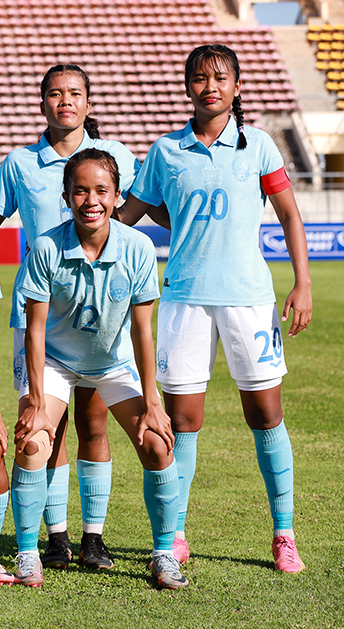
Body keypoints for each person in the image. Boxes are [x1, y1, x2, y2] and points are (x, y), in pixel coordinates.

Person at [118, 44, 311, 573]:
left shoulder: (260, 146)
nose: (211, 86)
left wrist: (303, 284)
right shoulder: (166, 151)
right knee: (183, 420)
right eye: (200, 78)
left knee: (265, 413)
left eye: (220, 78)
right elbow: (131, 211)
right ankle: (175, 534)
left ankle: (283, 532)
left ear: (237, 87)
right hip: (184, 298)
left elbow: (291, 216)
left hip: (250, 298)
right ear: (188, 87)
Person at [0, 64, 146, 570]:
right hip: (41, 316)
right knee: (44, 428)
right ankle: (55, 539)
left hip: (101, 318)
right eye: (54, 94)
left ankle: (93, 537)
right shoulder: (19, 163)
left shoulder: (116, 156)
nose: (65, 102)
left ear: (89, 102)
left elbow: (135, 211)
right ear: (42, 104)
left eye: (75, 93)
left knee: (94, 425)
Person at [11, 148, 184, 590]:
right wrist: (33, 401)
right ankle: (29, 553)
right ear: (66, 196)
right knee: (34, 444)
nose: (92, 200)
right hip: (56, 361)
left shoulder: (139, 247)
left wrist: (152, 402)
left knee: (158, 443)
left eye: (101, 191)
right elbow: (33, 331)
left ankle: (164, 554)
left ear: (117, 194)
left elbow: (144, 333)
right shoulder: (47, 246)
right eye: (81, 190)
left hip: (113, 362)